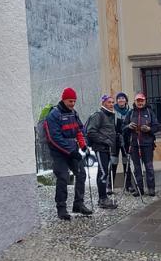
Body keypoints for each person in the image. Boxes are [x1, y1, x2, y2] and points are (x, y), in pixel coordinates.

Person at [44, 87, 93, 220]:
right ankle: (61, 208)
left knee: (81, 174)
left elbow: (79, 130)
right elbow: (54, 138)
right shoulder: (53, 115)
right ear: (64, 99)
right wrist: (71, 151)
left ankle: (78, 204)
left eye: (74, 101)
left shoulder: (73, 113)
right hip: (59, 153)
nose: (72, 104)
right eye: (70, 101)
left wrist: (83, 146)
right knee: (63, 177)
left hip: (72, 151)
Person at [124, 92, 159, 196]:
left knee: (149, 167)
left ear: (145, 101)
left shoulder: (150, 112)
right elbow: (123, 127)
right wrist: (128, 126)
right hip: (134, 144)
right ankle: (139, 189)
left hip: (147, 144)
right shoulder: (130, 113)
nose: (140, 102)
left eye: (142, 100)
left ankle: (151, 188)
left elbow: (156, 127)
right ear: (135, 101)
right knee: (137, 168)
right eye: (138, 101)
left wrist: (149, 129)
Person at [86, 95, 118, 209]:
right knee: (103, 173)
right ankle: (102, 199)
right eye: (109, 102)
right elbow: (91, 131)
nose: (111, 104)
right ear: (103, 103)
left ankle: (103, 198)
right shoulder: (98, 115)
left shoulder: (110, 115)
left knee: (105, 172)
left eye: (112, 102)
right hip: (100, 148)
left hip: (107, 149)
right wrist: (105, 141)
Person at [109, 92, 133, 193]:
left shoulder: (130, 111)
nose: (121, 100)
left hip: (126, 139)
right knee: (113, 162)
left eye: (123, 98)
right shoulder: (112, 111)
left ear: (126, 100)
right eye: (119, 98)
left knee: (126, 162)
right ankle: (109, 186)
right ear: (117, 101)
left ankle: (128, 185)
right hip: (114, 140)